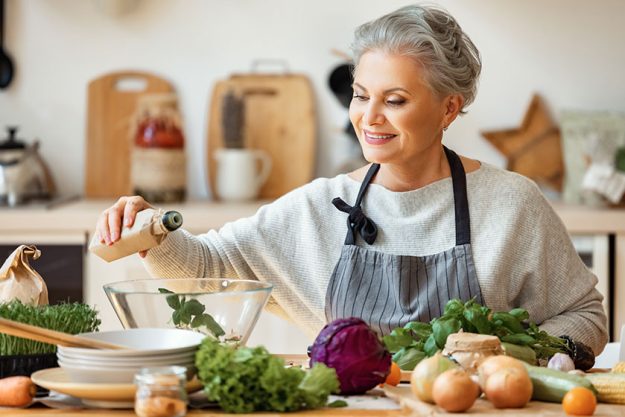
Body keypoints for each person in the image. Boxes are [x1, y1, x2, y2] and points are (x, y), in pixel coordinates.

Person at [97, 4, 608, 354]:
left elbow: (584, 315)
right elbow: (208, 269)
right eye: (362, 95)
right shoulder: (321, 206)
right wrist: (152, 231)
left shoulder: (512, 204)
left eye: (396, 100)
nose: (369, 117)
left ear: (449, 107)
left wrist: (530, 360)